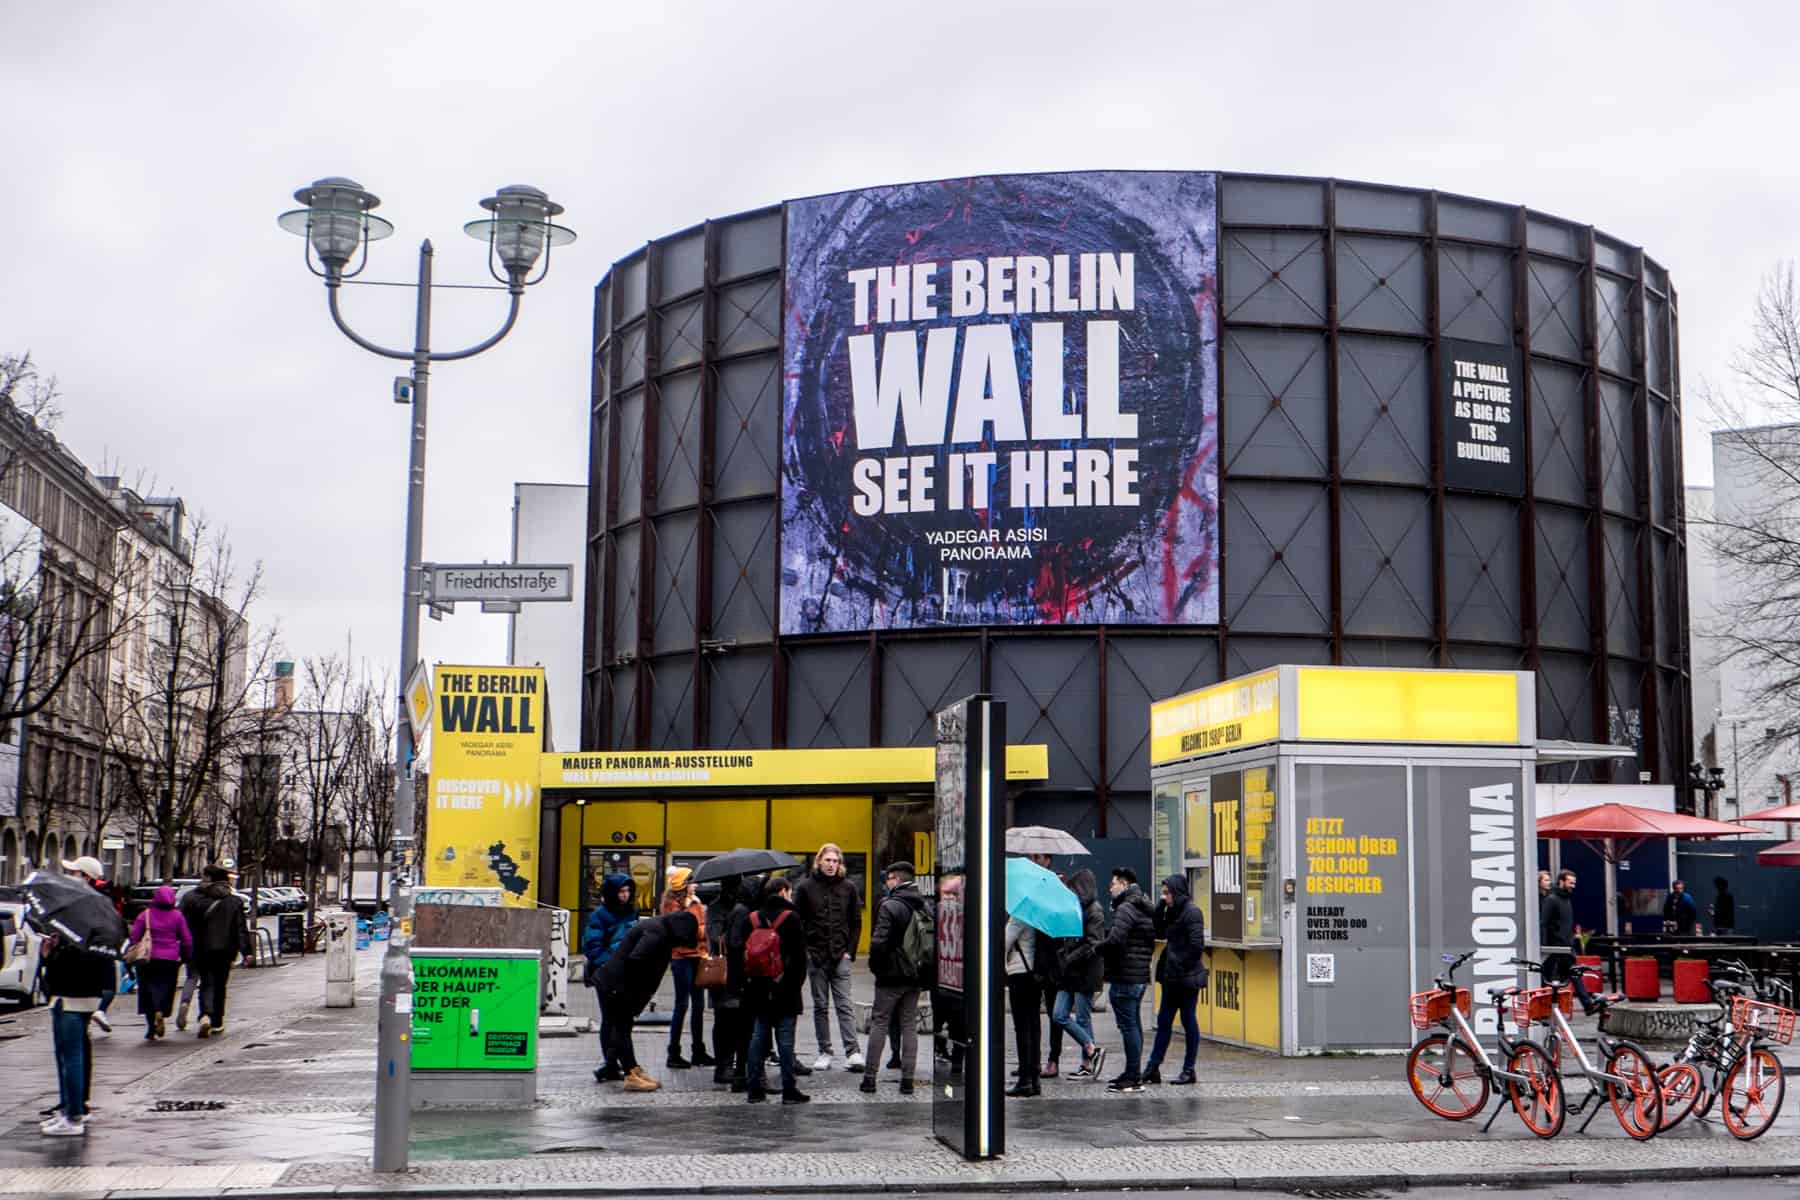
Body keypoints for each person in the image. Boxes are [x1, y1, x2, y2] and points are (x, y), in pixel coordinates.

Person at [596, 908, 700, 1093]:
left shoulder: (660, 928)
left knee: (623, 1027)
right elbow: (637, 958)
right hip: (616, 985)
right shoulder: (657, 933)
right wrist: (635, 993)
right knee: (621, 1027)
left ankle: (632, 1069)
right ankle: (630, 1074)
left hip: (615, 983)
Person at [38, 909, 115, 1137]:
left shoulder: (74, 935)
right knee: (74, 1055)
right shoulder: (101, 930)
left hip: (69, 997)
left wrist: (49, 954)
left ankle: (73, 1116)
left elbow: (62, 968)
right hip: (87, 997)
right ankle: (72, 1109)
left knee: (69, 1057)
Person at [861, 861, 930, 1095]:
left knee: (880, 1021)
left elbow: (879, 942)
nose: (887, 882)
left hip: (891, 975)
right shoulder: (924, 906)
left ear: (896, 880)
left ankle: (869, 1078)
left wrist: (876, 967)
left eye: (889, 878)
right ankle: (908, 1081)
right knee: (909, 1025)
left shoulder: (889, 906)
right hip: (914, 975)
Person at [794, 842, 864, 1071]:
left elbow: (856, 922)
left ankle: (853, 1052)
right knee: (821, 1006)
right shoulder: (805, 888)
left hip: (840, 956)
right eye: (828, 860)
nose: (832, 864)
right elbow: (798, 922)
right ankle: (825, 1051)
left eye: (835, 861)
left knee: (844, 1005)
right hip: (816, 957)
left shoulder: (849, 888)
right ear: (819, 861)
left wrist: (849, 952)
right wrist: (806, 951)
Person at [743, 874, 810, 1104]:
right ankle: (789, 1090)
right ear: (782, 891)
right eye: (789, 892)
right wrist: (791, 985)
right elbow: (800, 960)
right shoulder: (791, 918)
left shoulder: (752, 918)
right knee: (786, 1040)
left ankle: (754, 1089)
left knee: (758, 1036)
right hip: (785, 989)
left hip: (758, 988)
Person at [1143, 875, 1206, 1085]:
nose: (1165, 896)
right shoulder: (1173, 910)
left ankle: (1189, 1069)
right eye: (1163, 893)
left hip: (1186, 978)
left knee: (1188, 1021)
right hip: (1171, 977)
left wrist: (1181, 964)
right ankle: (1153, 1067)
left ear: (1177, 892)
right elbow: (1159, 931)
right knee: (1163, 1022)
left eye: (1167, 893)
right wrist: (1160, 906)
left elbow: (1197, 946)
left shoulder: (1192, 912)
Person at [1043, 868, 1106, 1081]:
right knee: (1059, 1014)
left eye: (1073, 889)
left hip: (1086, 972)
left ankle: (1087, 1063)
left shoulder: (1094, 911)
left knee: (1082, 1017)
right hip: (1069, 973)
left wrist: (1068, 958)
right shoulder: (1075, 908)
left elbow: (1093, 943)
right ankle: (1091, 1048)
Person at [177, 866, 250, 1038]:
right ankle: (217, 1021)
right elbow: (240, 929)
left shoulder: (192, 898)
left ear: (208, 878)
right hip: (225, 950)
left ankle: (205, 1015)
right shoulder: (233, 901)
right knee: (220, 985)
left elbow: (180, 923)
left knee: (206, 983)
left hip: (200, 949)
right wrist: (247, 952)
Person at [1100, 866, 1155, 1093]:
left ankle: (1133, 1076)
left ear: (1124, 885)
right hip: (1139, 975)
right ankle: (1133, 1071)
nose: (1110, 888)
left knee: (1128, 1026)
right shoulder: (1143, 905)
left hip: (1125, 975)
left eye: (1113, 884)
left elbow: (1116, 940)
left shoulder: (1125, 908)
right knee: (1134, 1024)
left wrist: (1097, 948)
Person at [582, 874, 638, 1081]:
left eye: (628, 891)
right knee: (610, 1018)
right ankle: (611, 1063)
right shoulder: (600, 916)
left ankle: (614, 1063)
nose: (625, 895)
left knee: (622, 1020)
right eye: (621, 891)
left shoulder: (631, 913)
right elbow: (592, 946)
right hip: (606, 973)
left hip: (625, 972)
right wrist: (612, 961)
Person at [659, 867, 713, 1070]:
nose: (695, 884)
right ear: (683, 885)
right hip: (681, 958)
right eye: (692, 881)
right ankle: (673, 1052)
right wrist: (702, 927)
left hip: (697, 956)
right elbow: (685, 930)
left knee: (698, 1005)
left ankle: (698, 1051)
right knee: (682, 1005)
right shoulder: (673, 905)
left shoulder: (696, 903)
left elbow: (699, 929)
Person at [61, 857, 118, 1034]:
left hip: (90, 952)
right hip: (89, 952)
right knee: (104, 985)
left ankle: (92, 1015)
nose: (69, 875)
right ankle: (96, 1013)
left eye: (73, 872)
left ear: (86, 876)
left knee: (101, 985)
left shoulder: (89, 899)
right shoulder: (100, 896)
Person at [127, 885, 191, 1040]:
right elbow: (186, 939)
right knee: (166, 989)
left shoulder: (145, 915)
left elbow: (134, 936)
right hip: (169, 959)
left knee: (147, 990)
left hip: (147, 958)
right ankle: (161, 1011)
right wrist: (186, 956)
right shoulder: (177, 916)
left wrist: (132, 951)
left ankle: (150, 1027)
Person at [722, 874, 766, 1091]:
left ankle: (741, 1075)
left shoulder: (739, 910)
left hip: (737, 980)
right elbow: (737, 944)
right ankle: (742, 1076)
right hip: (742, 981)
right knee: (746, 1030)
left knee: (744, 1030)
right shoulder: (742, 912)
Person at [1003, 910, 1042, 1097]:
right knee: (1034, 1025)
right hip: (1035, 974)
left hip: (1020, 973)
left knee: (1022, 1027)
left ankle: (1024, 1080)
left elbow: (1002, 942)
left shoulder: (1020, 915)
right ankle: (1034, 1078)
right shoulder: (1039, 914)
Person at [1540, 869, 1575, 983]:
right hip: (1554, 943)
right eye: (1546, 880)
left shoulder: (1565, 899)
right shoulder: (1551, 899)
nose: (1573, 886)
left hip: (1564, 943)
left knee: (1564, 974)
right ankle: (1586, 1000)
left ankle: (1554, 998)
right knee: (1548, 974)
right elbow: (1544, 923)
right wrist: (1544, 945)